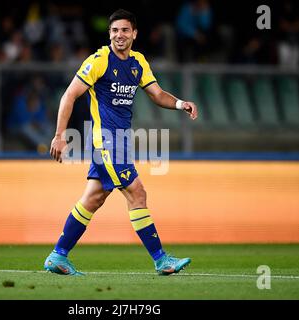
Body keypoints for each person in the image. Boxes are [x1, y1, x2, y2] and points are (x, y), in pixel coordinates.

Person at [44, 9, 198, 276]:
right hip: (106, 143)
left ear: (134, 34)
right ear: (109, 34)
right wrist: (59, 135)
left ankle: (57, 256)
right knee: (137, 193)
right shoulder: (99, 60)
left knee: (93, 198)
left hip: (121, 142)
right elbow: (69, 96)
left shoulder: (138, 63)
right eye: (114, 31)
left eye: (125, 30)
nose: (119, 35)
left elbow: (157, 94)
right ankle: (162, 260)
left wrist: (181, 103)